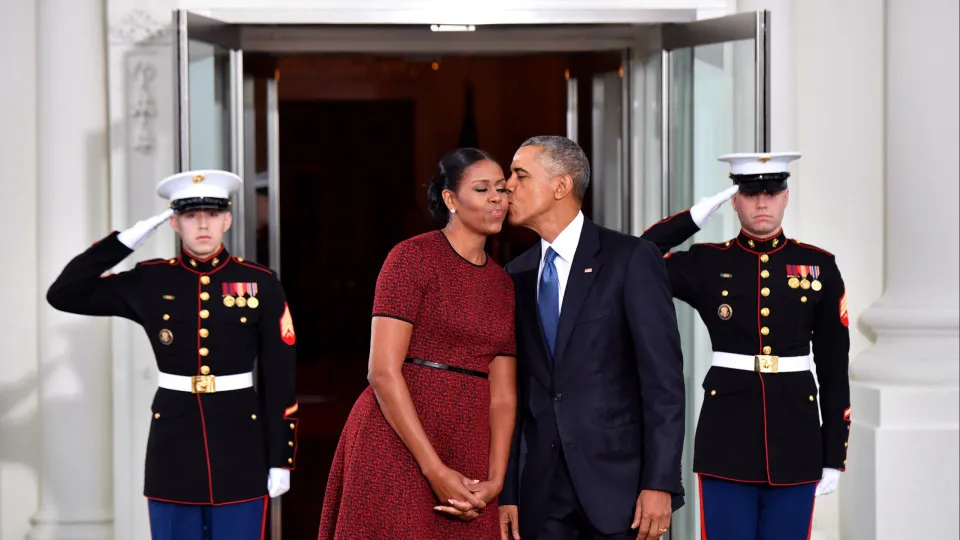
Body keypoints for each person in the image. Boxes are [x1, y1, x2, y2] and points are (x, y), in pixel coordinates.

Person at [46, 170, 299, 540]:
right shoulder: (150, 280)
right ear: (174, 223)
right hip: (173, 444)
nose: (202, 224)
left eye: (212, 215)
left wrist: (281, 458)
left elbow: (280, 374)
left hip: (240, 444)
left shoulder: (260, 282)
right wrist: (126, 241)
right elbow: (64, 293)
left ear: (226, 220)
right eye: (190, 216)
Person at [640, 152, 851, 540]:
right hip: (726, 440)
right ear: (735, 200)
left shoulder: (819, 266)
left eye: (772, 193)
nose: (762, 203)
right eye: (751, 193)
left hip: (798, 440)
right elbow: (638, 260)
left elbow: (834, 369)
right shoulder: (706, 262)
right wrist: (692, 218)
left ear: (786, 197)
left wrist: (833, 454)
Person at [318, 148, 517, 539]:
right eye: (482, 189)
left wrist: (496, 480)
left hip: (470, 442)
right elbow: (382, 371)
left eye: (502, 188)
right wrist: (434, 468)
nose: (497, 198)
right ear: (450, 200)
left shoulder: (504, 284)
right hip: (397, 439)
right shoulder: (411, 258)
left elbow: (504, 395)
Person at [498, 135, 686, 540]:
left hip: (619, 491)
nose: (507, 186)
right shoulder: (515, 275)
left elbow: (664, 384)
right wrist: (507, 492)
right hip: (541, 492)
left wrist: (661, 483)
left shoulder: (631, 259)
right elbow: (514, 393)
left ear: (562, 185)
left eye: (520, 175)